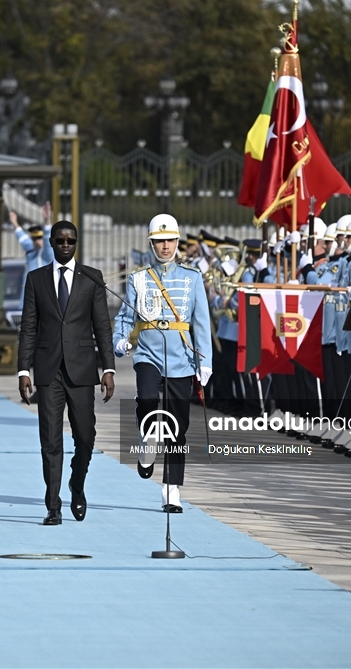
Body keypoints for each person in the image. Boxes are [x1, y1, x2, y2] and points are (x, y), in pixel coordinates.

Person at [17, 220, 116, 525]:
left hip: (82, 370)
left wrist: (108, 368)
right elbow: (28, 327)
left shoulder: (92, 278)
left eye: (70, 241)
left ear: (76, 243)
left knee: (86, 436)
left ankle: (77, 483)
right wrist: (24, 370)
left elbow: (102, 326)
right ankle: (53, 505)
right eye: (59, 241)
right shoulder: (36, 280)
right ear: (51, 243)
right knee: (50, 440)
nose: (64, 245)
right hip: (48, 372)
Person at [113, 214, 213, 512]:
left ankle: (171, 489)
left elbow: (201, 321)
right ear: (151, 243)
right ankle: (147, 440)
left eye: (169, 240)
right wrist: (119, 340)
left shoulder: (192, 277)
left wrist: (204, 361)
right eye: (159, 241)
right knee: (146, 398)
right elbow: (125, 316)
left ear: (177, 242)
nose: (165, 246)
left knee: (178, 428)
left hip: (181, 358)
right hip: (148, 353)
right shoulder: (138, 277)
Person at [9, 201, 54, 309]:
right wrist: (14, 223)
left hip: (40, 305)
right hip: (26, 304)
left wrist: (47, 220)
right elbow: (23, 239)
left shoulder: (47, 254)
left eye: (39, 238)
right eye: (34, 238)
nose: (36, 241)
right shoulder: (32, 251)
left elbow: (48, 239)